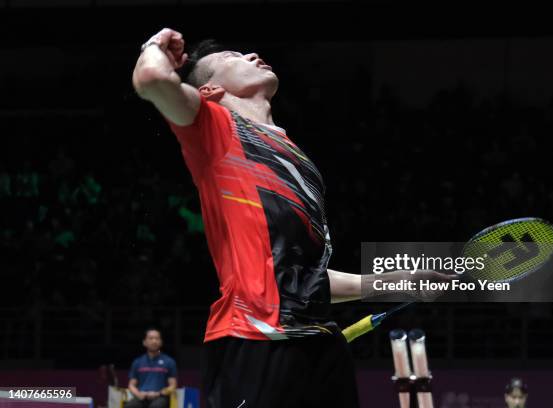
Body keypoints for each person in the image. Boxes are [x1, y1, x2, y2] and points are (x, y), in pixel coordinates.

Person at [132, 28, 449, 408]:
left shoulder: (297, 159)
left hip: (319, 343)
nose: (251, 54)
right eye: (234, 57)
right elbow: (151, 79)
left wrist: (396, 282)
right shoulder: (214, 129)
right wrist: (155, 45)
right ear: (210, 91)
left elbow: (299, 275)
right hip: (256, 336)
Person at [125, 328, 177, 408]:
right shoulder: (137, 362)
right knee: (130, 406)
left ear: (161, 342)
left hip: (160, 398)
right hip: (141, 397)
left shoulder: (169, 361)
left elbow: (173, 385)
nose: (154, 341)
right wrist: (139, 394)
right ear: (144, 342)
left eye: (157, 338)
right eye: (151, 338)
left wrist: (159, 393)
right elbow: (131, 385)